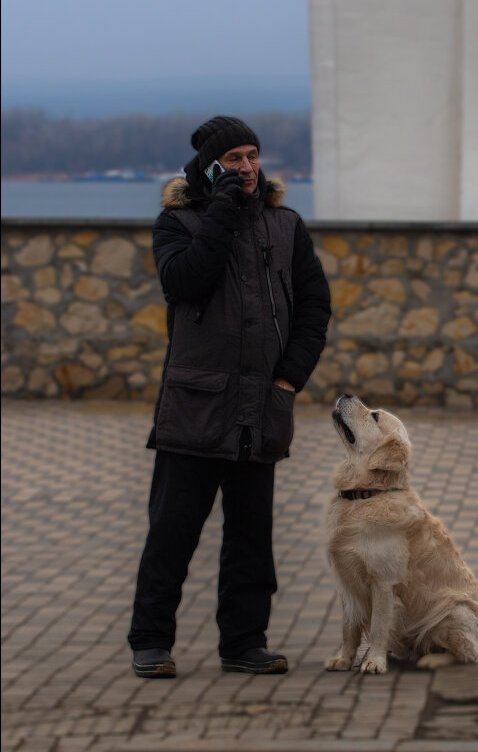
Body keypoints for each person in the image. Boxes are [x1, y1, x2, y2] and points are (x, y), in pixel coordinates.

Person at [128, 116, 331, 677]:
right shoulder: (178, 222)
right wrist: (220, 209)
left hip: (260, 407)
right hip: (194, 405)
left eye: (253, 155)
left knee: (251, 539)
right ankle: (150, 642)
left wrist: (289, 379)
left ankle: (244, 643)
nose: (247, 167)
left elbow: (315, 307)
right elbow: (185, 282)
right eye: (235, 158)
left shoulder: (286, 225)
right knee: (172, 532)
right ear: (212, 166)